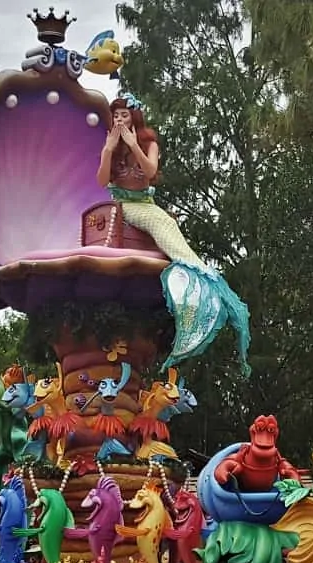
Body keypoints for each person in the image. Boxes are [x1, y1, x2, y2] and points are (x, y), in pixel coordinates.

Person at [95, 93, 251, 375]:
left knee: (167, 224)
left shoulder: (148, 142)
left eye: (124, 115)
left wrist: (133, 145)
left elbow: (150, 171)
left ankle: (199, 275)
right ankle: (196, 272)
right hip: (126, 204)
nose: (119, 120)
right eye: (115, 116)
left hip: (146, 202)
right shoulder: (111, 148)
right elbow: (102, 180)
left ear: (134, 118)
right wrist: (108, 150)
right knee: (162, 224)